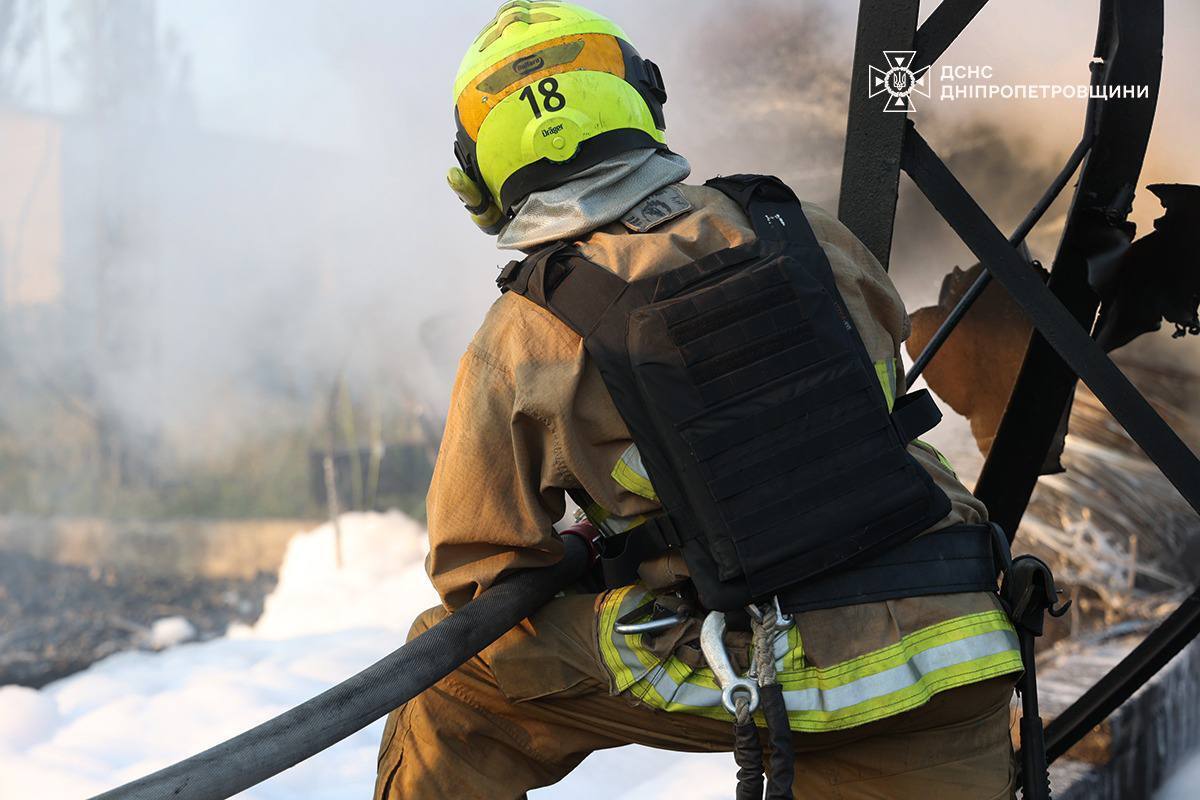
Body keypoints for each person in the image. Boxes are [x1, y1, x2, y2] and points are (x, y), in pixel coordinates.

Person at [375, 3, 1022, 798]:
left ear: (478, 172)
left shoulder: (524, 333)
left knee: (452, 672)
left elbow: (478, 570)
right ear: (643, 101)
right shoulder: (798, 226)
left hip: (794, 671)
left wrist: (619, 548)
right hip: (966, 641)